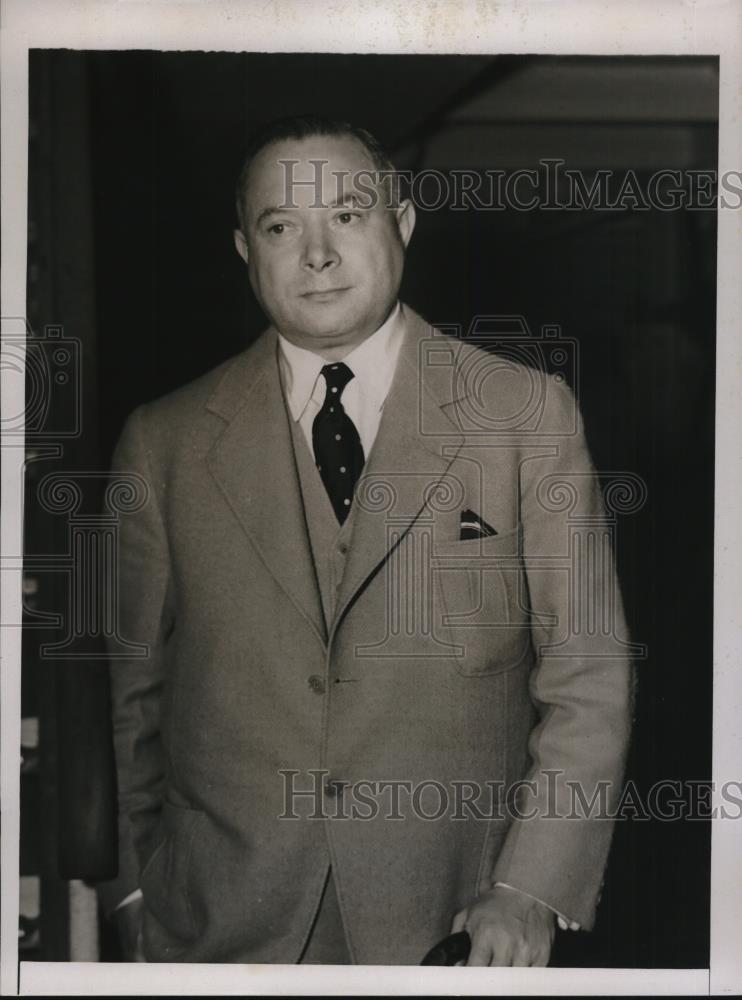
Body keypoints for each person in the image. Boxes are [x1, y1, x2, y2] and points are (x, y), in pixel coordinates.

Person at [99, 115, 633, 966]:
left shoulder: (525, 415)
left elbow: (588, 673)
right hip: (219, 932)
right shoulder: (162, 442)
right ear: (246, 250)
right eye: (282, 227)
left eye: (346, 215)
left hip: (454, 925)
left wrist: (532, 886)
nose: (316, 254)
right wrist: (134, 887)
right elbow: (130, 697)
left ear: (404, 223)